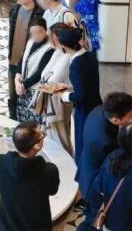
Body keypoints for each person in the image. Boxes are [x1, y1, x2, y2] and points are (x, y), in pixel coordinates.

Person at [59, 92, 132, 231]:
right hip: (96, 186)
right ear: (116, 119)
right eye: (129, 115)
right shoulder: (105, 141)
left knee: (87, 224)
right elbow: (119, 159)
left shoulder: (98, 110)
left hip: (86, 175)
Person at [58, 27, 102, 162]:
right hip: (97, 105)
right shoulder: (90, 56)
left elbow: (81, 96)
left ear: (64, 46)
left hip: (84, 110)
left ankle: (81, 169)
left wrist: (64, 96)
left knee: (82, 145)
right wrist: (71, 87)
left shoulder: (76, 64)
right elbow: (88, 82)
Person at [7, 0, 44, 119]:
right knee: (12, 94)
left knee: (25, 94)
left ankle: (24, 124)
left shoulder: (40, 14)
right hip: (13, 59)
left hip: (29, 62)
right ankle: (12, 121)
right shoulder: (15, 10)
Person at [36, 23, 74, 155]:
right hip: (49, 98)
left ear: (56, 38)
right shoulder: (57, 51)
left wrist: (44, 84)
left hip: (60, 101)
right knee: (50, 135)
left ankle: (65, 161)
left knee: (60, 136)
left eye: (50, 36)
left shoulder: (67, 56)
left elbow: (54, 79)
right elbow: (45, 74)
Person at [14, 18, 54, 122]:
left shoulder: (49, 48)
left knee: (33, 124)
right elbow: (22, 60)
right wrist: (17, 77)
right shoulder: (30, 42)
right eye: (33, 32)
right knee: (22, 122)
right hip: (23, 89)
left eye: (39, 31)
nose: (36, 35)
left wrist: (23, 85)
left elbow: (40, 73)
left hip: (35, 92)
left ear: (45, 30)